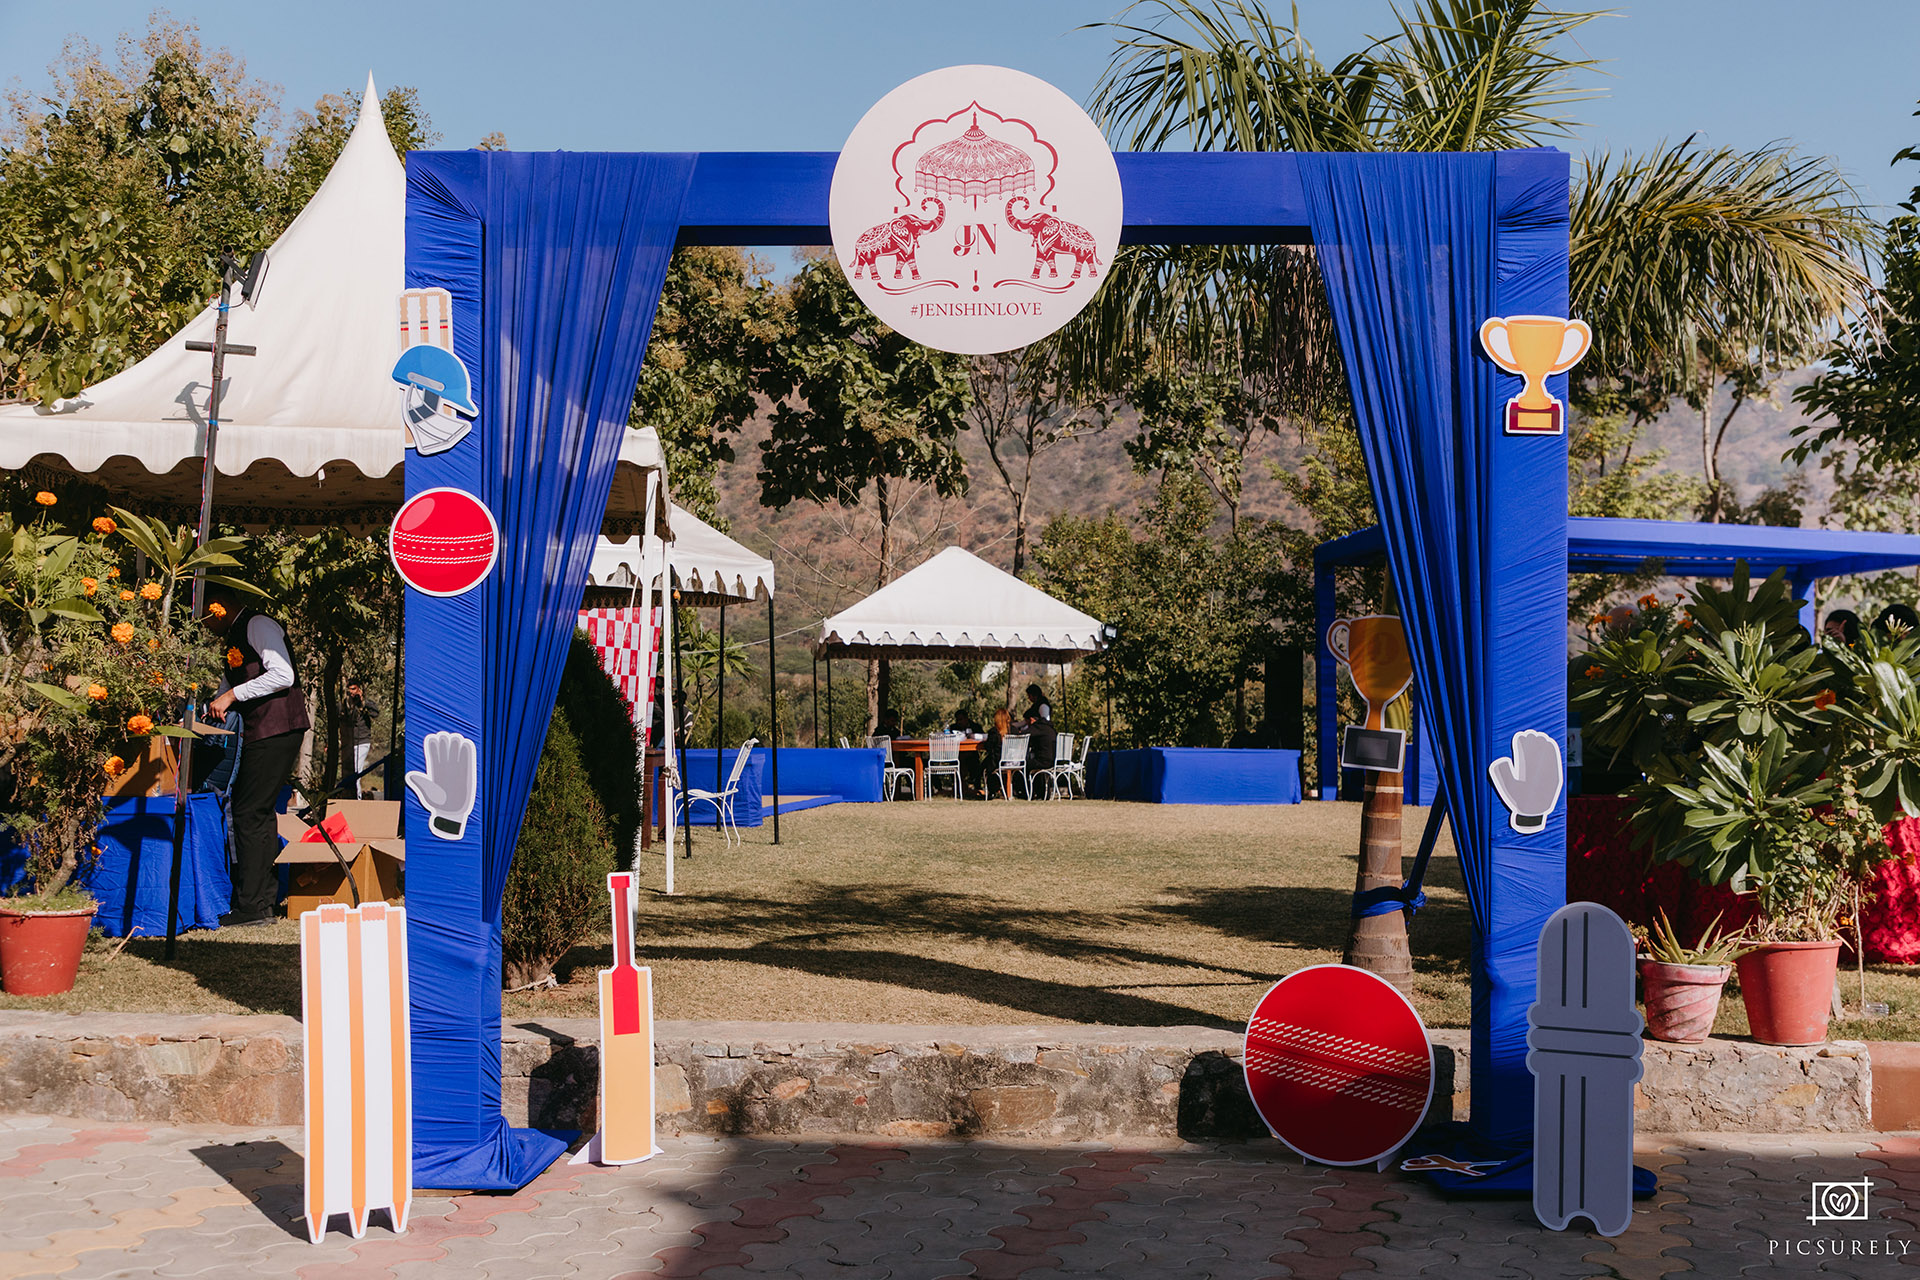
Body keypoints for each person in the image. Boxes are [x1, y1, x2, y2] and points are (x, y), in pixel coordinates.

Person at [202, 584, 310, 927]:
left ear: (220, 605)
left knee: (249, 812)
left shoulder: (257, 624)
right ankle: (260, 902)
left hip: (277, 729)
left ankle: (252, 906)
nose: (205, 623)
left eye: (206, 614)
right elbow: (227, 685)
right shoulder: (233, 636)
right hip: (261, 730)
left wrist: (232, 696)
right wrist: (213, 706)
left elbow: (283, 675)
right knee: (258, 813)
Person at [343, 679, 380, 798]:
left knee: (356, 771)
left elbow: (375, 713)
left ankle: (357, 798)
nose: (352, 692)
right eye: (350, 690)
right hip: (349, 743)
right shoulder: (346, 704)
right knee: (349, 771)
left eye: (354, 689)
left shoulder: (366, 704)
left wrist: (363, 700)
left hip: (362, 741)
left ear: (359, 689)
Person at [1020, 683, 1057, 779]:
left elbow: (1024, 733)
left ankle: (1025, 787)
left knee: (1023, 764)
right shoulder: (1049, 729)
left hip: (1044, 760)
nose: (1029, 698)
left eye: (1029, 696)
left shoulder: (1042, 709)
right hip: (1052, 759)